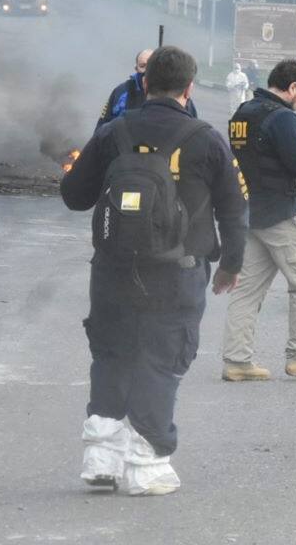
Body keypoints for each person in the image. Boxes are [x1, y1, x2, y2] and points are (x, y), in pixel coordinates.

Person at [61, 46, 248, 495]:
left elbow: (74, 195)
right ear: (189, 88)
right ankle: (146, 466)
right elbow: (235, 208)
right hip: (177, 271)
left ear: (144, 84)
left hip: (113, 268)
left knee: (112, 354)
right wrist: (230, 265)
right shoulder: (206, 139)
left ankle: (101, 457)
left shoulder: (114, 132)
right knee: (161, 360)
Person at [220, 59, 296, 381]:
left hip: (250, 213)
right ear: (292, 87)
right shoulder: (284, 117)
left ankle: (237, 361)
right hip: (284, 213)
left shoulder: (242, 112)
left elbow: (258, 154)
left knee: (246, 291)